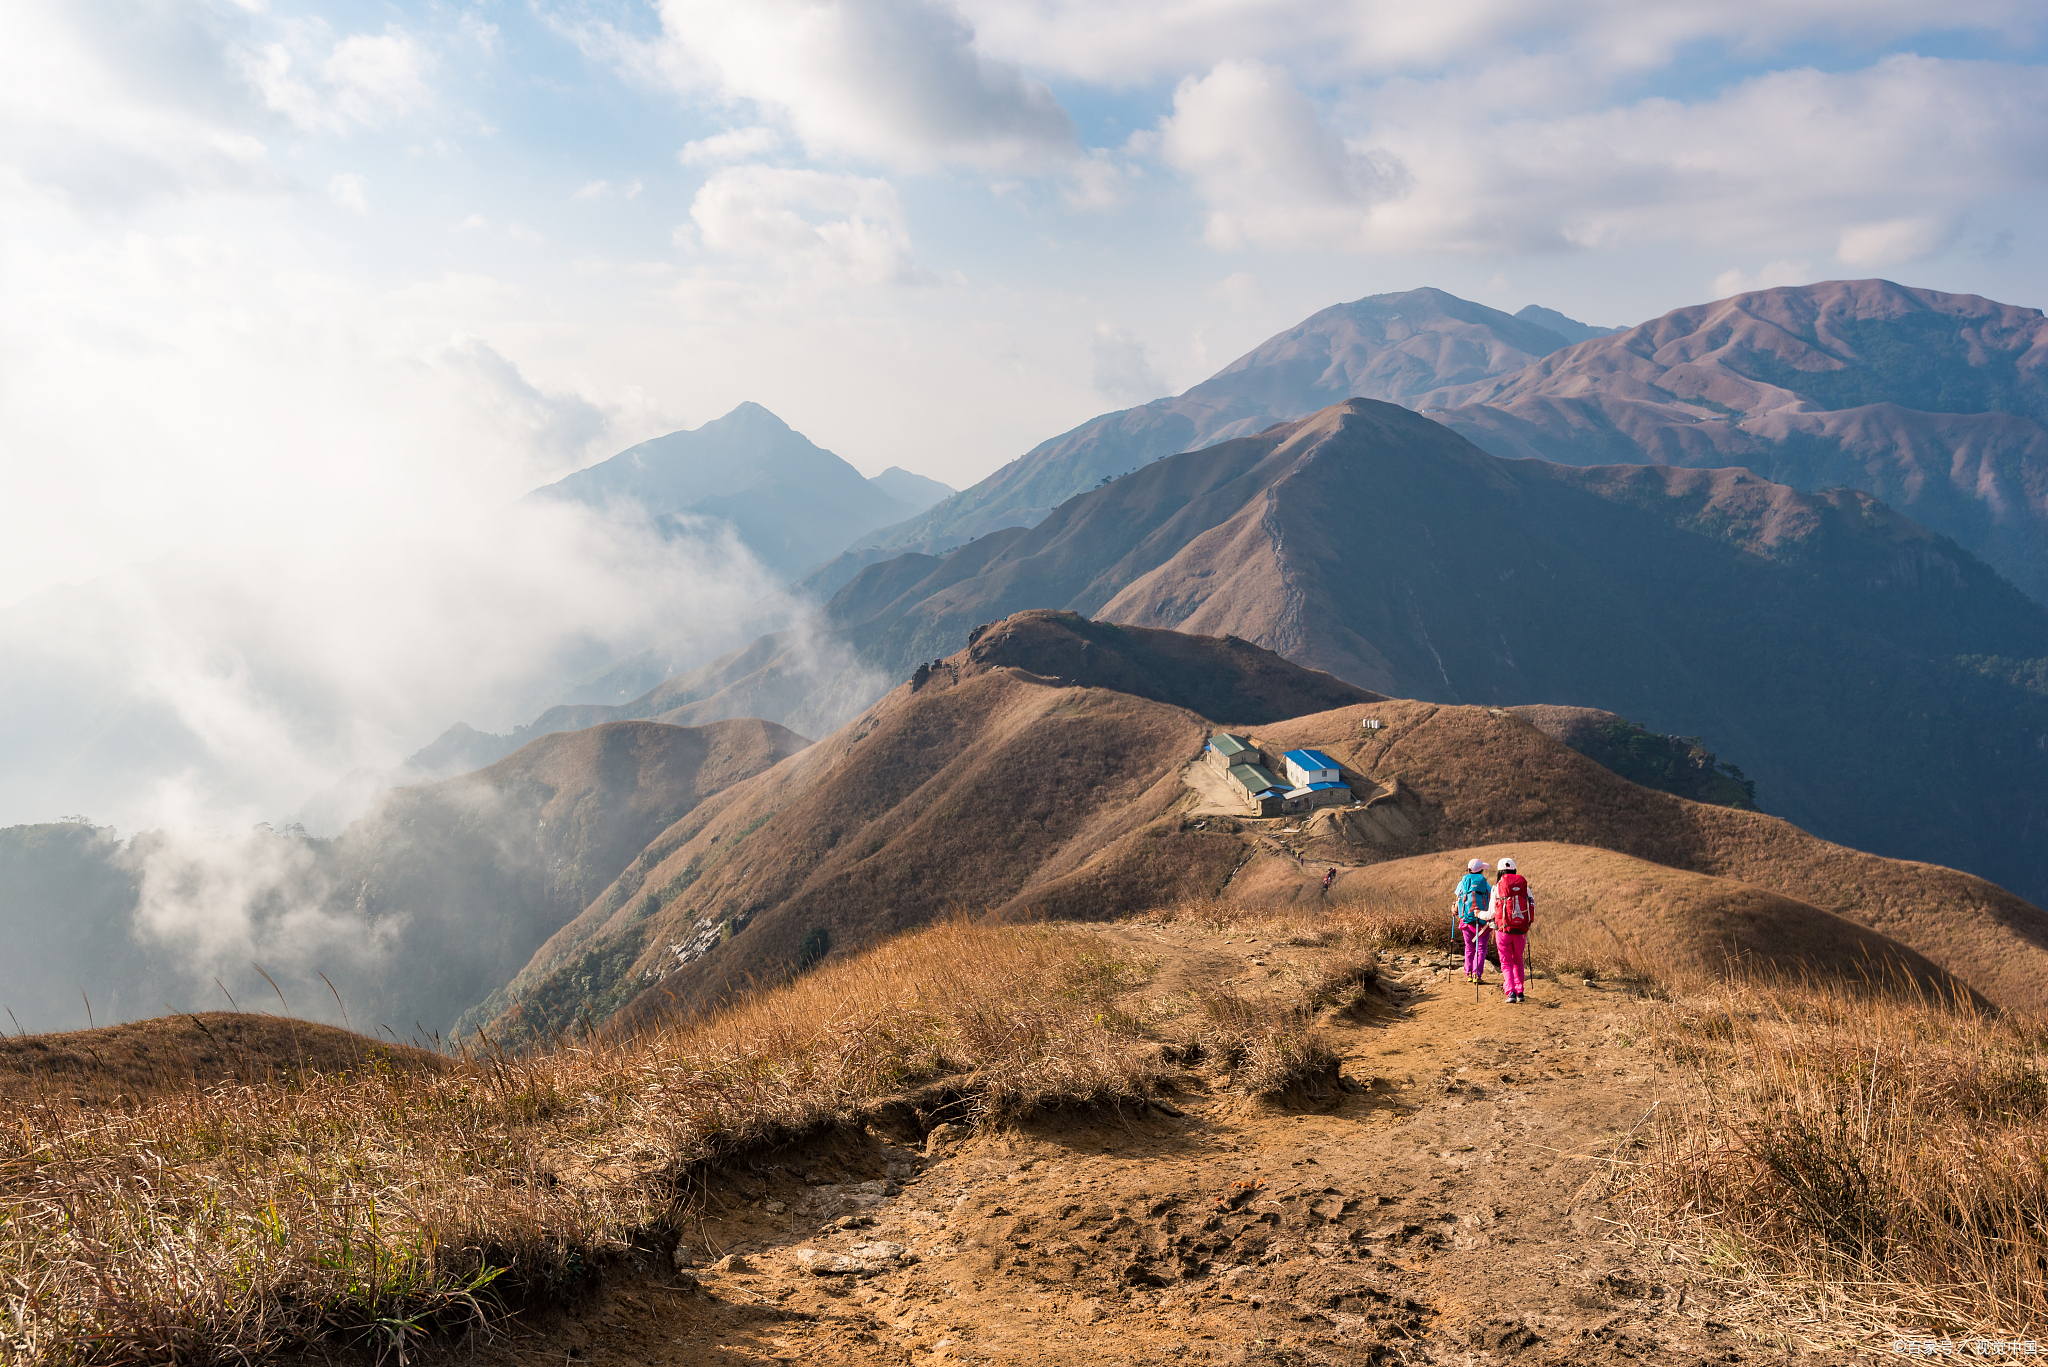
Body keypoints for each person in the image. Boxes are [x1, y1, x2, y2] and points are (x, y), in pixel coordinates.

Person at [1491, 856, 1536, 1003]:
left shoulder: (1496, 887)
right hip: (1521, 930)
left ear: (1499, 872)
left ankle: (1510, 992)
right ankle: (1520, 991)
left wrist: (1478, 914)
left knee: (1506, 962)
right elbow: (1532, 905)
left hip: (1503, 930)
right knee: (1518, 961)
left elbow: (1492, 913)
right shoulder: (1525, 887)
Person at [1453, 859, 1493, 983]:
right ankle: (1477, 974)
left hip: (1466, 921)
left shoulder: (1462, 883)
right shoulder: (1485, 884)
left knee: (1469, 947)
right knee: (1481, 948)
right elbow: (1491, 900)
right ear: (1481, 870)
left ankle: (1469, 973)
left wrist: (1455, 910)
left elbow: (1457, 902)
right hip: (1482, 921)